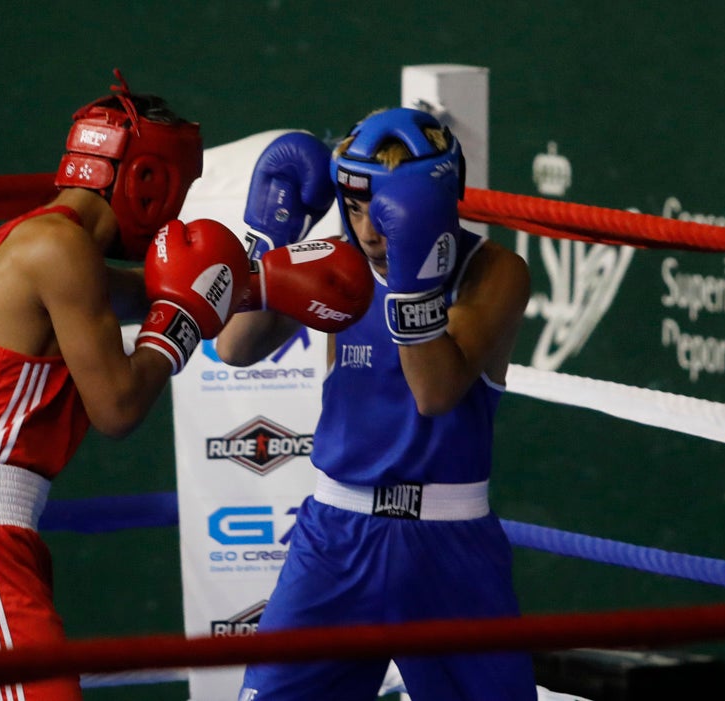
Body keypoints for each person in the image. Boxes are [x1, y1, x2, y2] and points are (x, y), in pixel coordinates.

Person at [0, 71, 252, 701]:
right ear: (147, 180)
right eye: (181, 189)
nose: (179, 209)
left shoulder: (48, 241)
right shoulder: (58, 249)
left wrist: (260, 280)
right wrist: (185, 323)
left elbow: (161, 294)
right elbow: (118, 407)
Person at [217, 108, 537, 700]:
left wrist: (412, 278)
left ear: (439, 199)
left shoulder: (492, 273)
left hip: (449, 546)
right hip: (335, 538)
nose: (369, 231)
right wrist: (270, 245)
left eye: (388, 209)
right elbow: (234, 347)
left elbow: (435, 391)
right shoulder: (341, 263)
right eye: (357, 206)